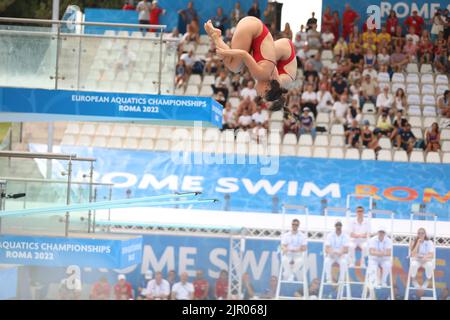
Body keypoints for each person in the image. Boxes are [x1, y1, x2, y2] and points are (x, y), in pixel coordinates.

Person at [205, 16, 292, 103]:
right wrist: (224, 53)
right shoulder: (260, 75)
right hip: (250, 28)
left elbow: (249, 55)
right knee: (234, 67)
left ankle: (216, 37)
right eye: (261, 95)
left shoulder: (271, 74)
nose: (258, 94)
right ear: (267, 87)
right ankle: (215, 36)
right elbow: (244, 54)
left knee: (236, 64)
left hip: (254, 24)